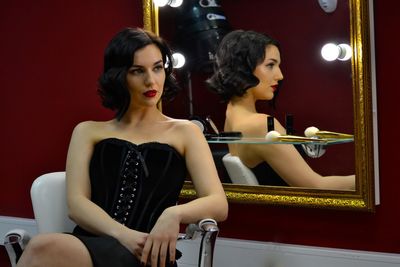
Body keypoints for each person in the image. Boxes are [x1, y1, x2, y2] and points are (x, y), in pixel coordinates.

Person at [17, 27, 228, 267]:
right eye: (137, 71)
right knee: (44, 248)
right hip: (90, 247)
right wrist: (124, 235)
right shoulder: (88, 131)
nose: (151, 80)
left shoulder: (185, 132)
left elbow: (218, 204)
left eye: (157, 68)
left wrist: (173, 214)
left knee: (42, 247)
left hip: (149, 254)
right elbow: (77, 206)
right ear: (119, 76)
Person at [206, 29, 355, 190]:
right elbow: (316, 186)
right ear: (243, 68)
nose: (280, 75)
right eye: (270, 65)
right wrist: (373, 178)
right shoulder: (260, 125)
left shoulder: (231, 118)